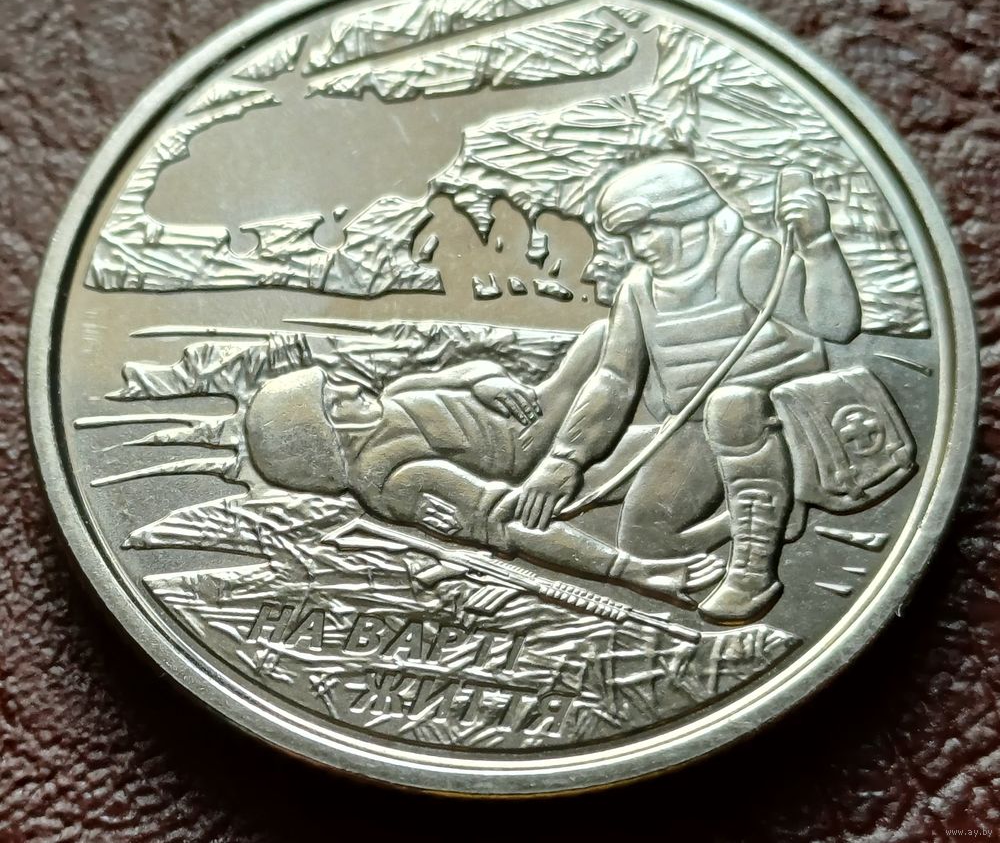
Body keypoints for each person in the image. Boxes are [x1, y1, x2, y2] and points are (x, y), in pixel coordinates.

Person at [514, 157, 862, 625]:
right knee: (645, 541)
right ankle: (767, 513)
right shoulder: (639, 288)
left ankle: (753, 566)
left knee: (731, 406)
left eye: (647, 231)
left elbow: (836, 326)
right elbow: (615, 379)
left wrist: (818, 245)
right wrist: (565, 459)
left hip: (781, 422)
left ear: (688, 216)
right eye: (631, 237)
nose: (639, 249)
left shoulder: (751, 260)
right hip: (695, 427)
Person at [243, 322, 724, 609]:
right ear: (329, 439)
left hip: (536, 409)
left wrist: (486, 381)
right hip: (535, 459)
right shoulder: (397, 480)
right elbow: (511, 525)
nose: (349, 387)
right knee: (685, 441)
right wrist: (630, 571)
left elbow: (462, 373)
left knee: (609, 333)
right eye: (334, 400)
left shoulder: (392, 396)